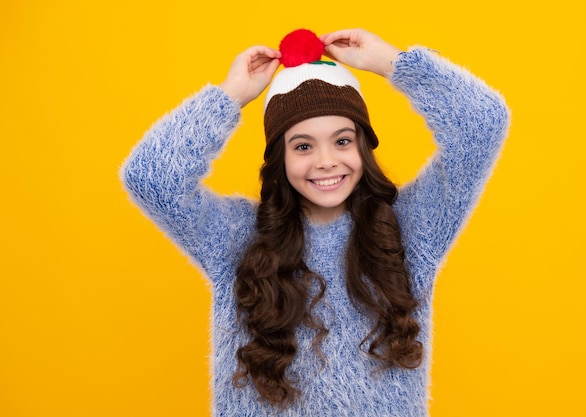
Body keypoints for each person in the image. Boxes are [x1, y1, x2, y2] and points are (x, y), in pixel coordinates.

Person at [121, 28, 510, 417]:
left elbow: (482, 123)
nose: (325, 160)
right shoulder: (239, 238)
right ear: (280, 159)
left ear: (363, 146)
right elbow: (151, 178)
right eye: (303, 146)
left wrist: (391, 63)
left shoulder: (409, 228)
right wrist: (230, 96)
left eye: (342, 141)